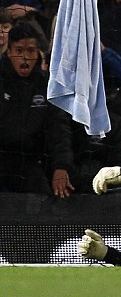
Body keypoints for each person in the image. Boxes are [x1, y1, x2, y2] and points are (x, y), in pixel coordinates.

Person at [0, 20, 74, 196]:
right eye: (19, 51)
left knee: (44, 200)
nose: (25, 57)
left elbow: (59, 128)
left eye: (30, 51)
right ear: (9, 52)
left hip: (31, 162)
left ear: (37, 53)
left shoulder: (47, 85)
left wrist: (61, 166)